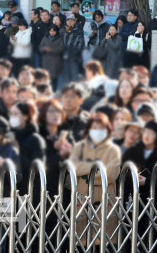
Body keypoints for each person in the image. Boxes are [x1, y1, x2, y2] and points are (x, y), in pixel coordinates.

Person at [67, 113, 120, 247]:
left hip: (105, 200)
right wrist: (96, 167)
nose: (97, 130)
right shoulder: (79, 147)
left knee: (104, 242)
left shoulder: (113, 150)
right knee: (80, 242)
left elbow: (111, 174)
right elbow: (73, 168)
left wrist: (84, 171)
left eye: (101, 127)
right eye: (94, 127)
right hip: (82, 199)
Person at [9, 101, 45, 194]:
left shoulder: (35, 139)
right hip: (9, 189)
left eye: (16, 114)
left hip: (28, 192)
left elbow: (37, 168)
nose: (13, 116)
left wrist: (17, 153)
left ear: (25, 116)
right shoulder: (8, 136)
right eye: (11, 114)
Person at [59, 15, 84, 90]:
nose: (70, 22)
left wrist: (72, 52)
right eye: (68, 20)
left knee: (74, 76)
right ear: (66, 22)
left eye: (71, 20)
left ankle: (75, 92)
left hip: (74, 57)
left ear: (74, 21)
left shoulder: (78, 31)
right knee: (64, 76)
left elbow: (81, 44)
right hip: (62, 56)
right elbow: (58, 43)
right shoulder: (62, 31)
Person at [39, 25, 64, 89]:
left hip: (55, 60)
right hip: (46, 59)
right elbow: (40, 46)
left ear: (56, 31)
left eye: (53, 31)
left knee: (54, 77)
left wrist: (51, 50)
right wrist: (44, 49)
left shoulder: (60, 38)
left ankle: (54, 90)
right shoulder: (45, 37)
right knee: (46, 77)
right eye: (50, 31)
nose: (51, 32)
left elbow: (61, 48)